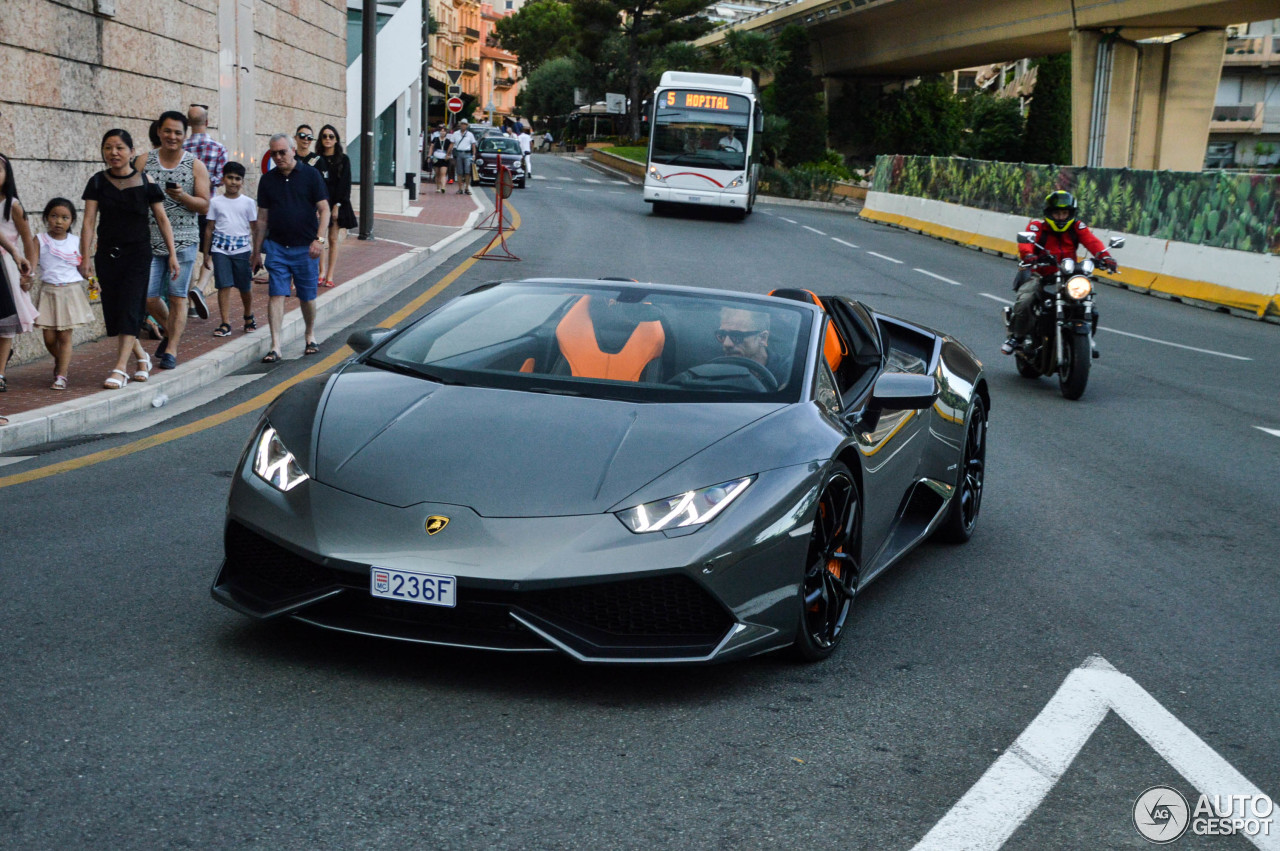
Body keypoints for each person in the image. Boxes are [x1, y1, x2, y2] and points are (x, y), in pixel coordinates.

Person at [81, 128, 178, 389]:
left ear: (131, 152)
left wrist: (172, 254)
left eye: (120, 148)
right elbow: (89, 222)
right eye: (108, 147)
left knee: (131, 306)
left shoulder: (147, 182)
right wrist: (85, 257)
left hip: (137, 254)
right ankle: (142, 359)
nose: (114, 153)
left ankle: (120, 368)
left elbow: (162, 219)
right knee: (115, 312)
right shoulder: (97, 182)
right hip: (107, 256)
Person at [135, 110, 211, 370]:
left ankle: (172, 349)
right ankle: (171, 330)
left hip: (184, 240)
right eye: (167, 131)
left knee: (177, 295)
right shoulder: (143, 161)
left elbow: (203, 205)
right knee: (147, 295)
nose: (172, 136)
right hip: (149, 239)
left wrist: (182, 197)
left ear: (185, 135)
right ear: (159, 131)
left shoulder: (194, 165)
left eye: (178, 132)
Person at [1002, 190, 1117, 355]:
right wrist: (1029, 255)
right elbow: (1026, 244)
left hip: (1068, 275)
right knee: (1025, 301)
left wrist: (1106, 258)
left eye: (1065, 213)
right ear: (1049, 213)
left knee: (1089, 303)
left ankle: (1086, 340)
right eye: (1057, 213)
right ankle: (1017, 336)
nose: (1061, 217)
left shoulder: (1077, 227)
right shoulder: (1037, 226)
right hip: (1041, 274)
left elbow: (1092, 242)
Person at [250, 133, 330, 363]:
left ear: (293, 150)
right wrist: (256, 252)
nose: (278, 157)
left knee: (307, 297)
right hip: (277, 247)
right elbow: (262, 218)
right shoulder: (267, 180)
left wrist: (320, 240)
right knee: (276, 293)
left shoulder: (311, 175)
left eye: (282, 152)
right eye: (274, 153)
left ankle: (309, 335)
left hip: (306, 248)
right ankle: (275, 345)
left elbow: (323, 209)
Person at [33, 198, 94, 389]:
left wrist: (93, 283)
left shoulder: (76, 241)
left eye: (65, 217)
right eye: (54, 216)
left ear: (71, 221)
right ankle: (61, 361)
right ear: (46, 218)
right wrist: (25, 278)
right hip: (48, 292)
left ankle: (62, 375)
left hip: (70, 292)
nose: (59, 221)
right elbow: (32, 264)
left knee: (65, 337)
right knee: (49, 339)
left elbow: (85, 268)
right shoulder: (40, 240)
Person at [201, 161, 257, 338]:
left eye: (237, 178)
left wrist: (256, 253)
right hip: (220, 249)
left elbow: (254, 228)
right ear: (223, 179)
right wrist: (206, 253)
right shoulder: (216, 202)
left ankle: (248, 316)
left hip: (242, 249)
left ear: (242, 181)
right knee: (223, 285)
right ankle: (225, 322)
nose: (233, 182)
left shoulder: (248, 203)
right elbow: (209, 228)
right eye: (230, 177)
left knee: (244, 286)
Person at [183, 103, 228, 310]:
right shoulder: (218, 148)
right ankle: (199, 288)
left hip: (184, 208)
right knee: (211, 250)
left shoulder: (182, 149)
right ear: (207, 122)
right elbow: (222, 178)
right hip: (208, 208)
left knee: (187, 254)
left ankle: (189, 302)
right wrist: (208, 181)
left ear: (188, 124)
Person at [0, 153, 38, 391]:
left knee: (5, 324)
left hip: (6, 269)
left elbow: (27, 238)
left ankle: (0, 372)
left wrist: (28, 274)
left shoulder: (12, 204)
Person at [313, 124, 356, 287]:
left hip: (338, 202)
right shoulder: (316, 159)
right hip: (320, 202)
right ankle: (321, 272)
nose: (327, 139)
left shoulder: (343, 159)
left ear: (336, 139)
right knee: (320, 238)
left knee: (332, 238)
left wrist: (337, 205)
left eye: (331, 136)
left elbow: (345, 184)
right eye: (324, 136)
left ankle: (330, 274)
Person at [451, 119, 478, 195]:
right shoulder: (455, 134)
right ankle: (460, 188)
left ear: (467, 125)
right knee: (459, 172)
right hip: (459, 153)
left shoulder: (470, 134)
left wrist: (473, 155)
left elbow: (473, 145)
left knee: (467, 172)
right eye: (462, 124)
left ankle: (466, 188)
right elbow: (452, 144)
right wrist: (449, 154)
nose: (463, 125)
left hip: (467, 154)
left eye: (465, 124)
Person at [428, 122, 450, 193]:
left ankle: (443, 187)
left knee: (443, 173)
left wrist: (448, 155)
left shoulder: (448, 141)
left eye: (444, 131)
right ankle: (438, 187)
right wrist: (429, 156)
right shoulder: (435, 139)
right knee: (437, 173)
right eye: (441, 131)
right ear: (439, 132)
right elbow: (431, 147)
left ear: (446, 132)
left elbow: (450, 149)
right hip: (436, 157)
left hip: (444, 158)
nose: (442, 132)